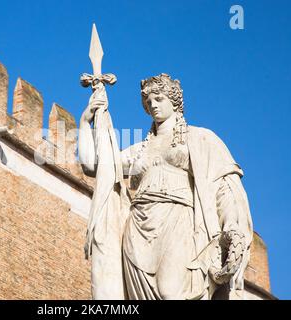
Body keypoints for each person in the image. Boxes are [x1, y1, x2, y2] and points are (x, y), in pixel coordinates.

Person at [78, 73, 253, 300]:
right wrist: (86, 120)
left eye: (159, 99)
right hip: (138, 227)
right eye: (148, 101)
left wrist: (231, 224)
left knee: (172, 292)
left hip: (178, 219)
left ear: (174, 101)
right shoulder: (140, 149)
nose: (153, 105)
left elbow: (224, 187)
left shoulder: (200, 138)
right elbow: (94, 166)